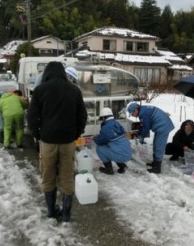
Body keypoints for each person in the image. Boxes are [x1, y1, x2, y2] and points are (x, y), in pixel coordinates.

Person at [27, 61, 87, 222]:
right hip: (68, 141)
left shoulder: (40, 90)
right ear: (62, 73)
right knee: (67, 176)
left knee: (48, 175)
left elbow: (31, 117)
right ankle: (66, 214)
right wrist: (76, 133)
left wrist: (38, 134)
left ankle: (51, 211)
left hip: (47, 141)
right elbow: (82, 116)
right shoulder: (74, 90)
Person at [127, 102, 174, 174]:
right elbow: (144, 125)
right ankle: (155, 163)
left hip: (163, 126)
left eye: (132, 114)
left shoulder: (143, 113)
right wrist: (139, 132)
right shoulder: (143, 111)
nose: (133, 115)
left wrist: (141, 135)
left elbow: (146, 128)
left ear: (136, 110)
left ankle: (157, 168)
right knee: (156, 143)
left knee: (159, 146)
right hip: (161, 125)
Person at [94, 107, 132, 175]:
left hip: (121, 156)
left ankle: (109, 170)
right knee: (115, 148)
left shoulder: (106, 127)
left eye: (101, 118)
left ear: (104, 118)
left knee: (100, 148)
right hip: (128, 154)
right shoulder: (116, 123)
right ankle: (122, 166)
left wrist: (95, 138)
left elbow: (99, 142)